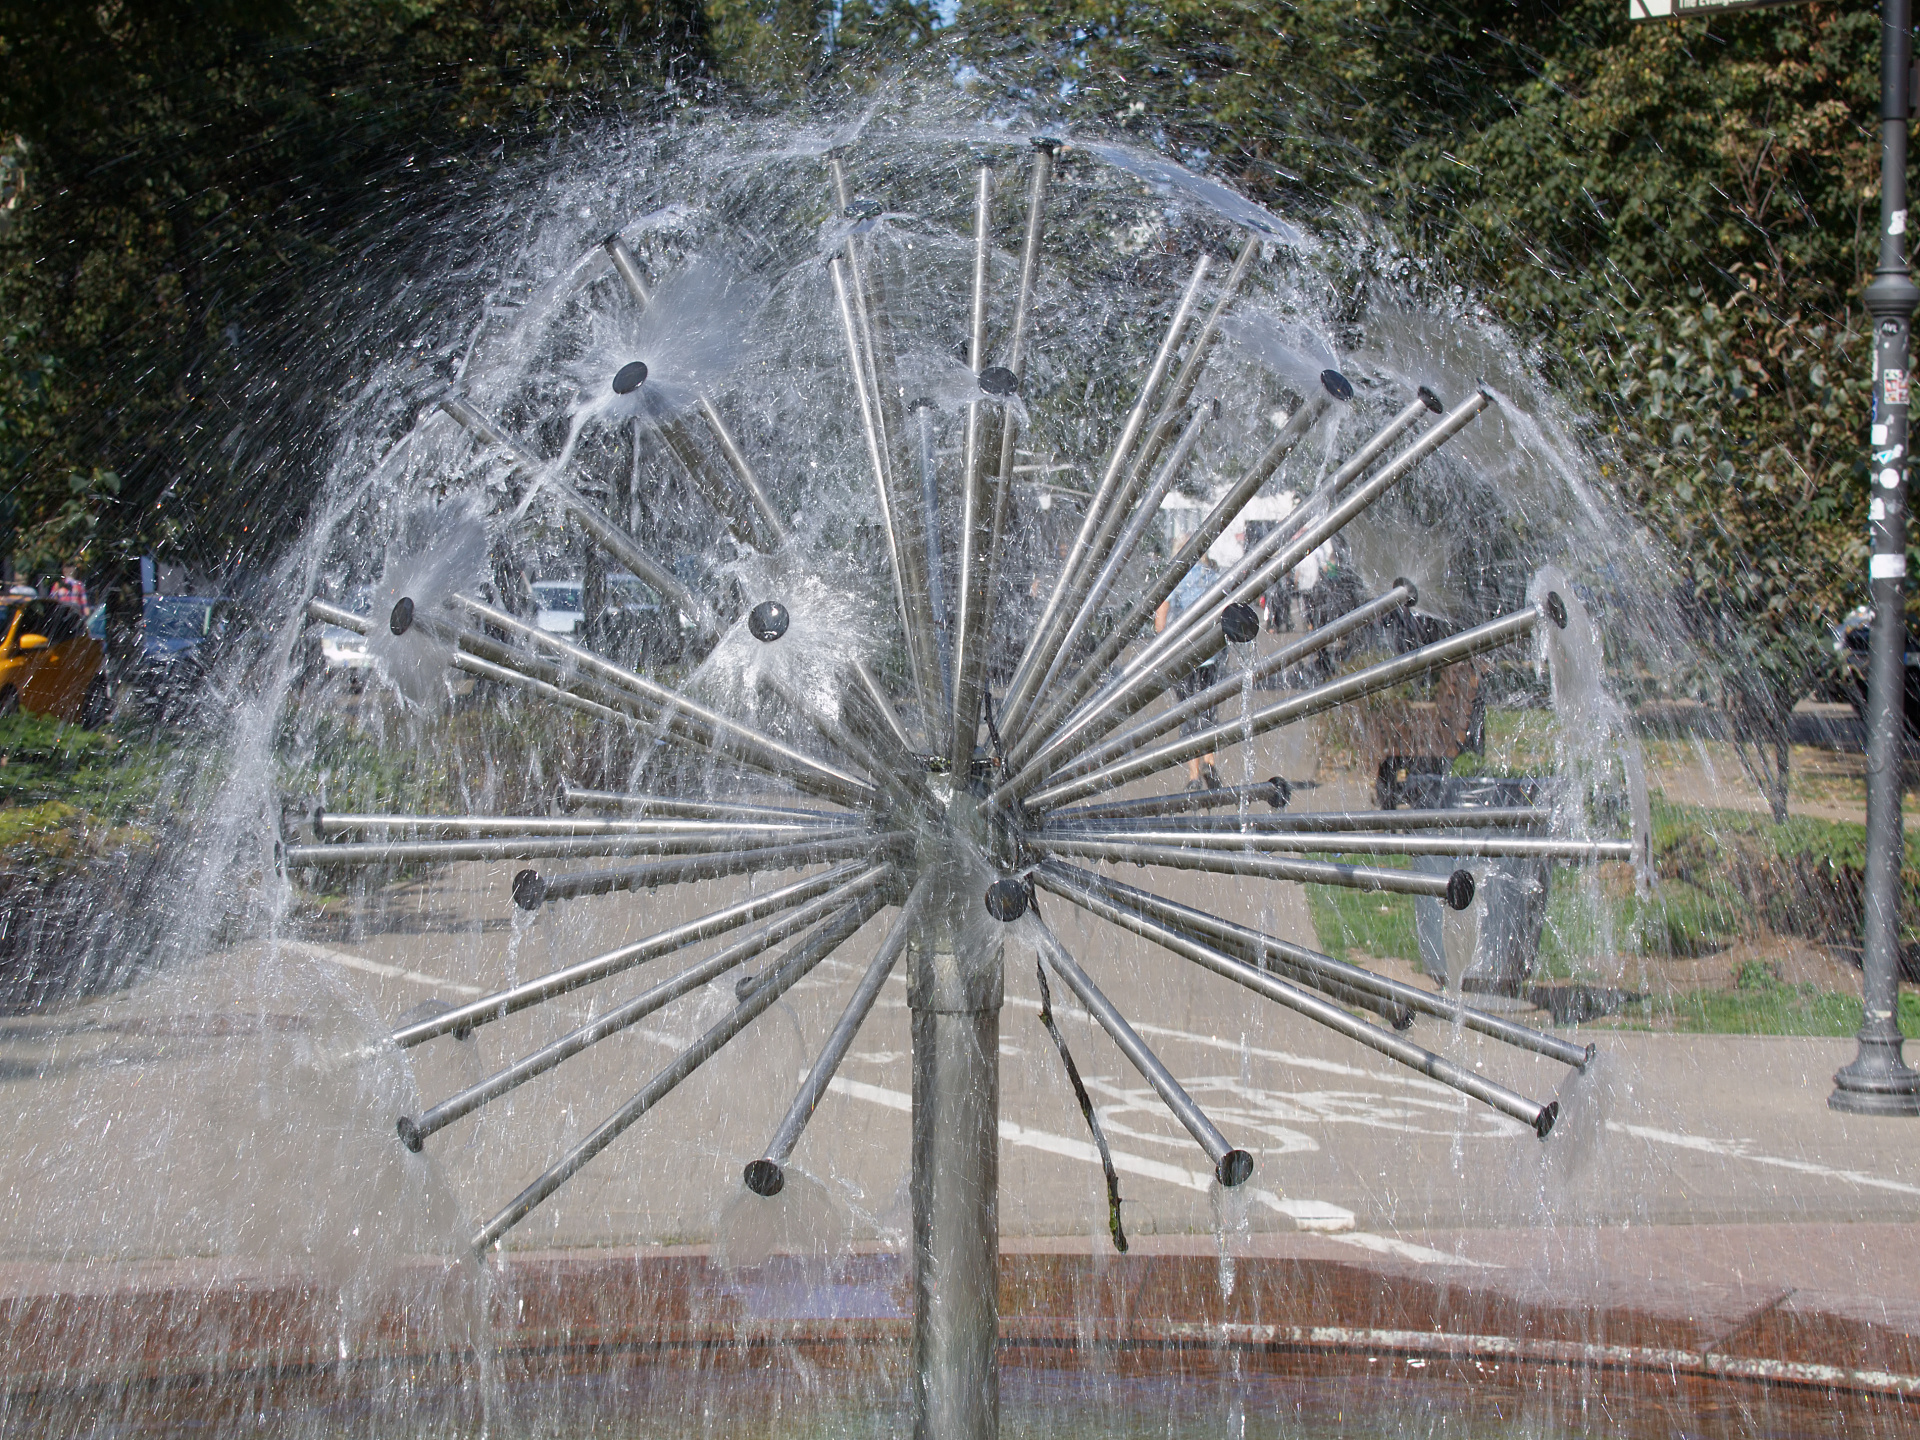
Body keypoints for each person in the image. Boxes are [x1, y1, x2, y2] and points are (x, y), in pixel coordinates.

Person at [1154, 529, 1246, 790]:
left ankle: (1194, 777)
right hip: (1212, 656)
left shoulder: (1176, 579)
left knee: (1188, 714)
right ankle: (1211, 761)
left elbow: (1162, 611)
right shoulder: (1212, 576)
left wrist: (1161, 644)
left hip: (1184, 657)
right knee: (1208, 710)